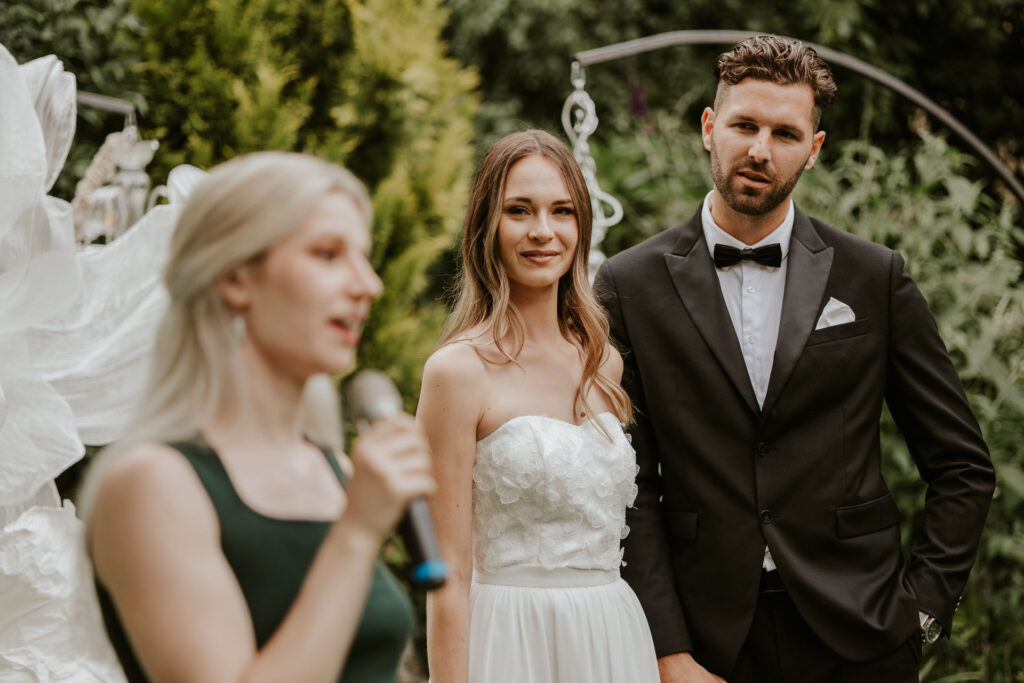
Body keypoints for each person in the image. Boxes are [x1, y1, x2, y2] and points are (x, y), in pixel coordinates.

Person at [594, 35, 995, 683]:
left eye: (785, 133)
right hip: (707, 641)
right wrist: (666, 648)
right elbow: (628, 484)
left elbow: (962, 465)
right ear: (709, 126)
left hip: (860, 636)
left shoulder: (874, 277)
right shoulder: (628, 283)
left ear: (814, 149)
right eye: (744, 125)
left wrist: (919, 611)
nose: (760, 149)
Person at [81, 151, 435, 683]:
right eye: (327, 254)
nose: (369, 285)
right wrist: (357, 535)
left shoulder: (335, 470)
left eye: (363, 257)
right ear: (235, 278)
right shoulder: (151, 483)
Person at [418, 129, 659, 683]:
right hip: (509, 641)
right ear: (487, 226)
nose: (543, 231)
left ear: (581, 225)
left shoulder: (603, 363)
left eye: (562, 211)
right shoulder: (456, 372)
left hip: (610, 638)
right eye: (519, 210)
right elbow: (446, 572)